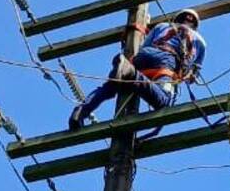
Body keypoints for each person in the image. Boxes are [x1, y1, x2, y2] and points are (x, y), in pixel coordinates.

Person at [67, 8, 207, 130]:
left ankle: (80, 112)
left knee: (112, 85)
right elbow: (192, 75)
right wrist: (189, 76)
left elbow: (145, 46)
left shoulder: (161, 26)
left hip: (145, 55)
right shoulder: (200, 41)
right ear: (195, 25)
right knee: (164, 101)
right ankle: (131, 73)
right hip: (166, 63)